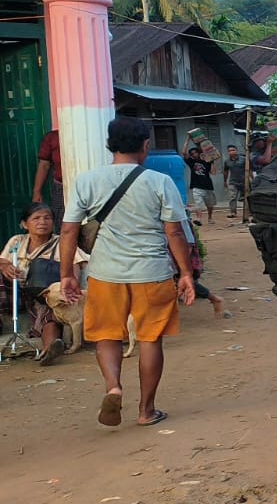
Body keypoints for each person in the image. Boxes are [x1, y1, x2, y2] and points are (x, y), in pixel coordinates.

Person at [59, 116, 195, 428]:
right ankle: (146, 411)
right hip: (152, 272)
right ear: (145, 146)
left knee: (106, 335)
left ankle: (113, 387)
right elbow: (175, 232)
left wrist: (67, 274)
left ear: (110, 145)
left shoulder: (87, 180)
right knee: (150, 338)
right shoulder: (160, 182)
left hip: (105, 273)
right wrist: (186, 273)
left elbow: (68, 231)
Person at [0, 204, 70, 365]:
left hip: (42, 293)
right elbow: (2, 260)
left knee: (48, 315)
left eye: (47, 218)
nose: (42, 222)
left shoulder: (61, 242)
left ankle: (49, 350)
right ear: (25, 224)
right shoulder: (17, 241)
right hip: (16, 291)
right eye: (36, 218)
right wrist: (5, 266)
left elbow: (76, 264)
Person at [32, 129, 64, 228]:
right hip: (60, 187)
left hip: (87, 185)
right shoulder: (52, 137)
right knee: (61, 222)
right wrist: (37, 192)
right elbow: (44, 165)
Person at [186, 147, 217, 225]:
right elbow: (183, 153)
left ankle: (210, 218)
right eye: (192, 154)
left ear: (199, 153)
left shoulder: (206, 162)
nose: (194, 155)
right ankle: (199, 219)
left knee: (210, 204)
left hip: (208, 186)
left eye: (195, 153)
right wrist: (187, 140)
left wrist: (212, 162)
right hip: (196, 186)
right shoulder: (191, 162)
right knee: (198, 203)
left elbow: (213, 172)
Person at [222, 145, 248, 219]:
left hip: (244, 181)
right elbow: (226, 171)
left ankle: (249, 212)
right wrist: (225, 181)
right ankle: (233, 212)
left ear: (236, 151)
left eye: (233, 150)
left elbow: (249, 169)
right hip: (233, 182)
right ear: (228, 152)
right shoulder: (227, 161)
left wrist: (251, 179)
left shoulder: (244, 159)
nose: (231, 152)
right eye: (229, 151)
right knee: (232, 197)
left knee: (247, 197)